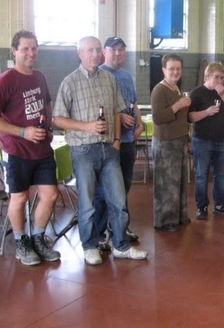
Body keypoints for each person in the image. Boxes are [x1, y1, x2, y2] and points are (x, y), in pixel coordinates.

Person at [53, 36, 148, 265]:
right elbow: (57, 118)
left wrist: (116, 139)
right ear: (80, 54)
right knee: (88, 202)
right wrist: (86, 127)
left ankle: (121, 245)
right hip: (83, 150)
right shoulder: (70, 82)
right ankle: (90, 246)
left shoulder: (109, 79)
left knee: (118, 199)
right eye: (90, 50)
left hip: (109, 149)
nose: (95, 54)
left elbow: (117, 111)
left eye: (97, 50)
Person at [0, 30, 61, 266]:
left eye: (34, 48)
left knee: (51, 195)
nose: (30, 53)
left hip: (42, 149)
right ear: (14, 51)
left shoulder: (39, 76)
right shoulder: (4, 81)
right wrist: (22, 131)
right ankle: (21, 242)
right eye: (25, 48)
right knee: (19, 198)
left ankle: (37, 237)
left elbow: (46, 102)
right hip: (16, 150)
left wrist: (46, 126)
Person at [94, 36, 143, 250]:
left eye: (121, 50)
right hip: (108, 143)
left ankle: (120, 228)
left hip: (128, 141)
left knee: (124, 187)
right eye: (113, 50)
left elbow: (134, 104)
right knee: (105, 190)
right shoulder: (100, 74)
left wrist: (139, 125)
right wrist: (119, 118)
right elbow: (99, 108)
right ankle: (101, 231)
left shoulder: (126, 76)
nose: (117, 54)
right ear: (104, 52)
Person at [188, 63, 224, 220]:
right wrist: (206, 112)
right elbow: (190, 117)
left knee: (220, 175)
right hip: (202, 140)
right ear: (208, 77)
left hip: (221, 140)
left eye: (222, 77)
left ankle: (220, 204)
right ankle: (201, 206)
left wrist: (223, 95)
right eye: (216, 77)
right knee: (202, 175)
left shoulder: (223, 92)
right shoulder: (196, 93)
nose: (220, 80)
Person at [150, 54, 191, 232]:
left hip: (179, 140)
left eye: (178, 69)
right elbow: (158, 118)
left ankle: (179, 215)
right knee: (166, 183)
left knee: (180, 181)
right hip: (165, 142)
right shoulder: (159, 90)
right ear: (164, 70)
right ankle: (165, 220)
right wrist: (178, 106)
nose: (175, 72)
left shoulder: (176, 89)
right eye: (171, 68)